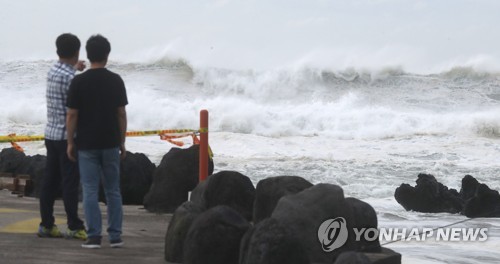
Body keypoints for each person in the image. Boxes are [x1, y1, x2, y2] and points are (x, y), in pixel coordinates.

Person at [66, 34, 128, 249]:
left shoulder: (79, 81)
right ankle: (115, 236)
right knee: (113, 190)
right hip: (110, 142)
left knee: (90, 190)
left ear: (89, 55)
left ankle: (93, 236)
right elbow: (121, 113)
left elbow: (72, 114)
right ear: (107, 55)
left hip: (87, 144)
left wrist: (70, 142)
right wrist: (122, 141)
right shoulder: (115, 80)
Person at [39, 33, 87, 240]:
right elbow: (73, 112)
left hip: (50, 134)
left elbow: (65, 76)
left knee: (50, 180)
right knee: (70, 182)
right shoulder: (70, 79)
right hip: (67, 137)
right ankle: (74, 226)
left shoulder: (53, 71)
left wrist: (75, 69)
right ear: (77, 52)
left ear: (58, 51)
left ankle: (46, 225)